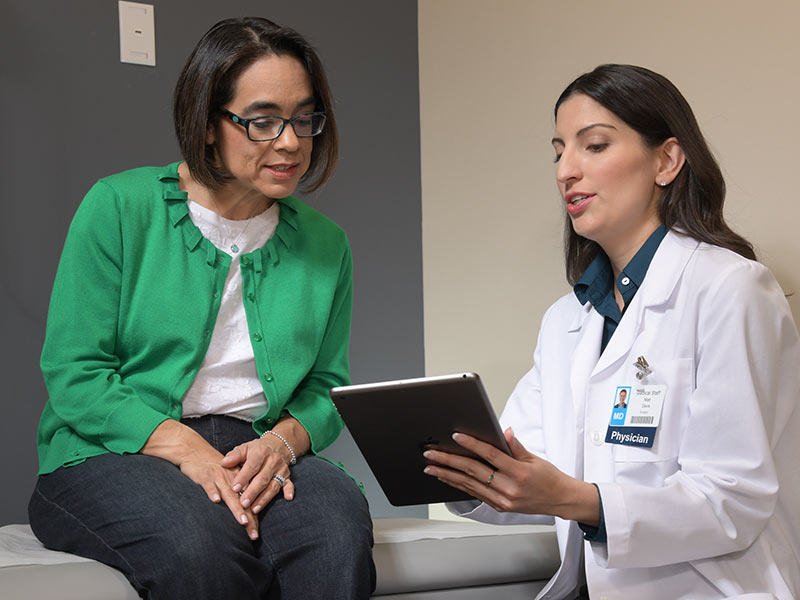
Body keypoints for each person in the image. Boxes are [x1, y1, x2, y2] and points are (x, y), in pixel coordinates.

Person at [28, 17, 375, 600]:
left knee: (336, 533)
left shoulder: (327, 244)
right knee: (199, 546)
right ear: (209, 123)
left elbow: (326, 389)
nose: (290, 142)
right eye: (262, 121)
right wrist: (188, 450)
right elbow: (75, 373)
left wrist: (282, 443)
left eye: (303, 118)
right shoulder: (118, 206)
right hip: (115, 450)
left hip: (255, 448)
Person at [423, 64, 800, 598]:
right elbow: (533, 475)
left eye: (593, 146)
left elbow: (732, 499)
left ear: (666, 160)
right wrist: (463, 474)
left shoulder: (731, 290)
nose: (565, 171)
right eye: (558, 151)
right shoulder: (566, 321)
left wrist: (577, 500)